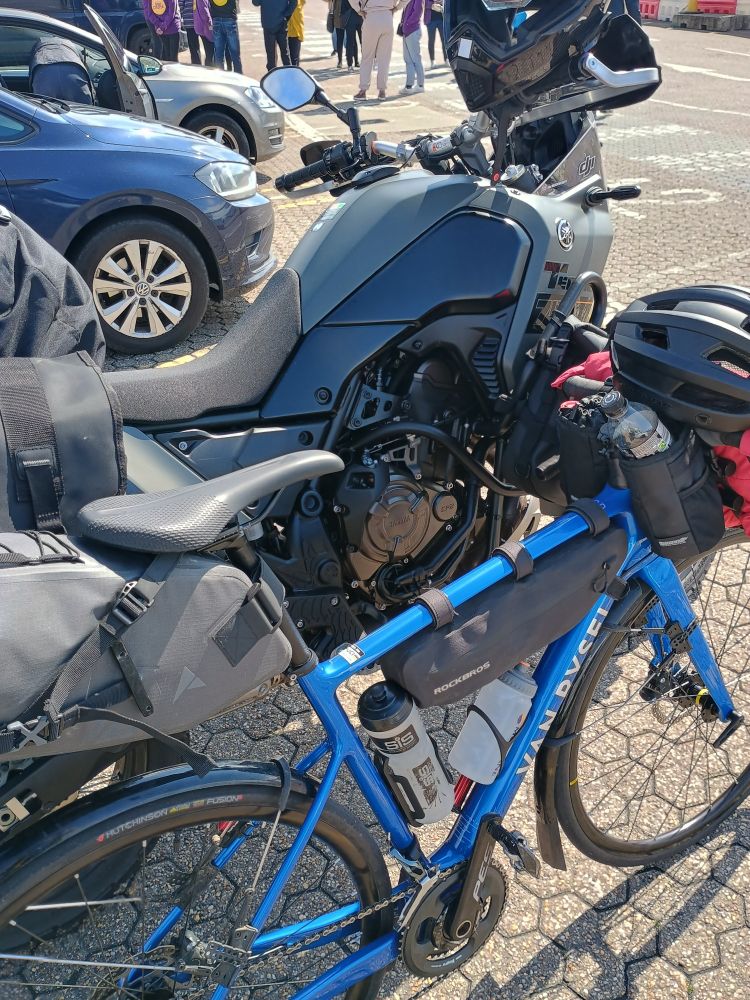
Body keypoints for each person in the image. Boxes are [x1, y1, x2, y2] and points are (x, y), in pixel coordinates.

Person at [353, 0, 401, 100]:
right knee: (384, 59)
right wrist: (397, 8)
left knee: (367, 57)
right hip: (387, 17)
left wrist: (358, 10)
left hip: (371, 17)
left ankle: (363, 90)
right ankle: (382, 91)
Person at [253, 0, 298, 70]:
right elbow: (294, 2)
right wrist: (286, 15)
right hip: (281, 22)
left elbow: (255, 3)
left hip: (268, 23)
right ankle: (290, 75)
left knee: (271, 56)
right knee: (285, 54)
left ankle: (272, 77)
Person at [210, 0, 243, 73]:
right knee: (235, 53)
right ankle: (239, 77)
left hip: (216, 19)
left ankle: (220, 78)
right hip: (229, 18)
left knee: (218, 53)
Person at [398, 0, 424, 94]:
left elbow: (417, 11)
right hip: (408, 30)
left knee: (415, 59)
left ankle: (420, 85)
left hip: (412, 30)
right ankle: (409, 86)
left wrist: (407, 24)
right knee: (408, 59)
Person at [334, 0, 360, 69]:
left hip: (349, 14)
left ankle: (355, 61)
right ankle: (341, 61)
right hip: (340, 15)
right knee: (342, 39)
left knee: (352, 39)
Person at [424, 0, 445, 68]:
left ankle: (446, 59)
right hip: (430, 21)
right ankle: (432, 61)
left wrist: (441, 2)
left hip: (441, 19)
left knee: (444, 40)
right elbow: (424, 3)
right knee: (431, 40)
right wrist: (433, 4)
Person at [193, 0, 216, 64]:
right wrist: (211, 26)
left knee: (209, 53)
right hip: (205, 28)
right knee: (210, 54)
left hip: (200, 27)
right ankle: (209, 71)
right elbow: (205, 14)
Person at [288, 0, 304, 64]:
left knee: (294, 59)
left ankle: (294, 72)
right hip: (283, 31)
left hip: (295, 31)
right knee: (287, 59)